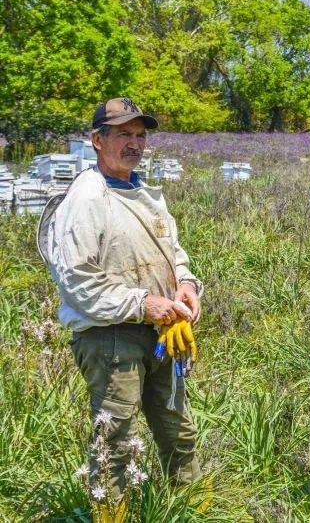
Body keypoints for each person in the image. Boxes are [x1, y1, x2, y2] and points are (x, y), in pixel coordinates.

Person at [40, 97, 204, 501]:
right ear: (97, 140)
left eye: (140, 135)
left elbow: (173, 252)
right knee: (114, 443)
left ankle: (193, 509)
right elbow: (78, 280)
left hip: (161, 333)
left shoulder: (145, 192)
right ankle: (110, 513)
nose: (134, 144)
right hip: (111, 336)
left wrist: (186, 284)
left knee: (180, 432)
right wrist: (144, 303)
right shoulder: (86, 198)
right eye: (123, 134)